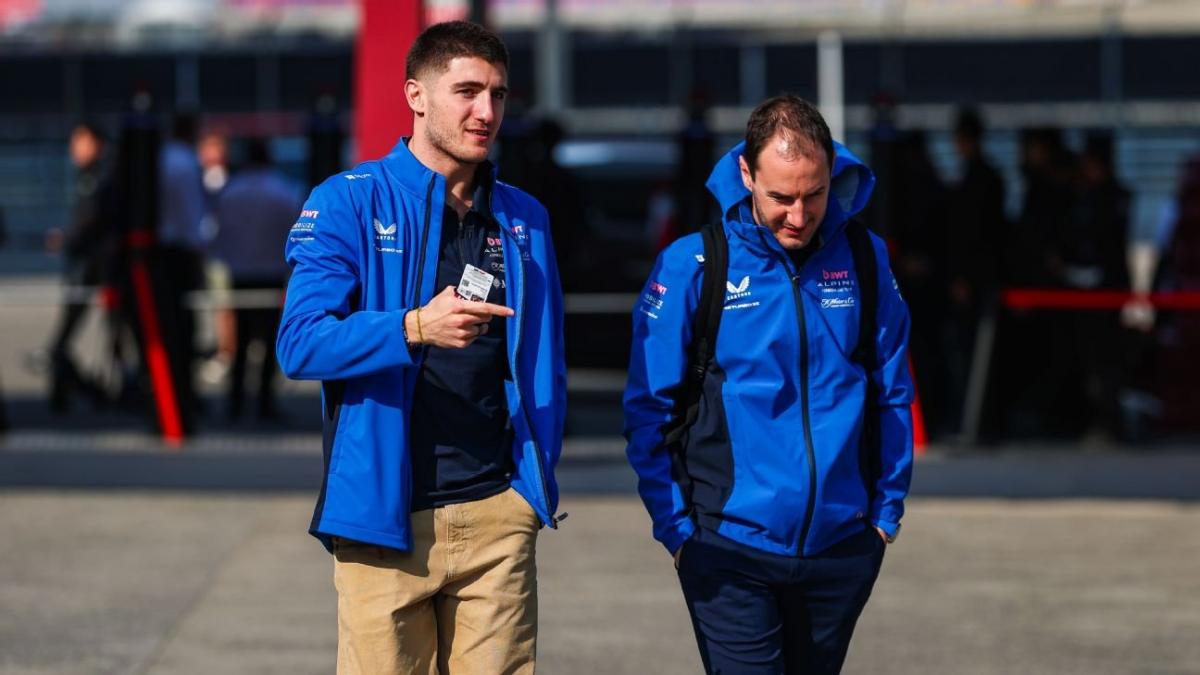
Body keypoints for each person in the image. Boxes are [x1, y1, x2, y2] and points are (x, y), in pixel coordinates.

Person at [276, 21, 565, 675]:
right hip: (386, 521)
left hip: (498, 514)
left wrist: (528, 491)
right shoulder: (348, 201)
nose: (486, 111)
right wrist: (411, 327)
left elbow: (544, 360)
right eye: (467, 91)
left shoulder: (525, 217)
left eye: (497, 94)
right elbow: (298, 344)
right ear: (416, 95)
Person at [624, 95, 913, 675]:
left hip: (843, 547)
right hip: (727, 548)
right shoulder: (693, 265)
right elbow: (649, 410)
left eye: (815, 194)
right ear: (746, 174)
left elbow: (892, 390)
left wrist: (883, 518)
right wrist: (677, 531)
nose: (799, 216)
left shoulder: (865, 257)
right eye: (781, 197)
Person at [211, 138, 301, 421]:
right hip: (272, 271)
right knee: (271, 338)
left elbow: (219, 232)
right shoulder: (283, 190)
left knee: (240, 339)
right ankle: (264, 401)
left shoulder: (230, 192)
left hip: (239, 271)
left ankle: (236, 401)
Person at [46, 122, 113, 412]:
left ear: (97, 144)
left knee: (112, 332)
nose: (74, 148)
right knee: (67, 335)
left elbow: (93, 220)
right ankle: (67, 386)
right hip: (88, 265)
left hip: (97, 266)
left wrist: (70, 238)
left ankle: (76, 387)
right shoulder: (88, 176)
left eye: (81, 141)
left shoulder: (103, 177)